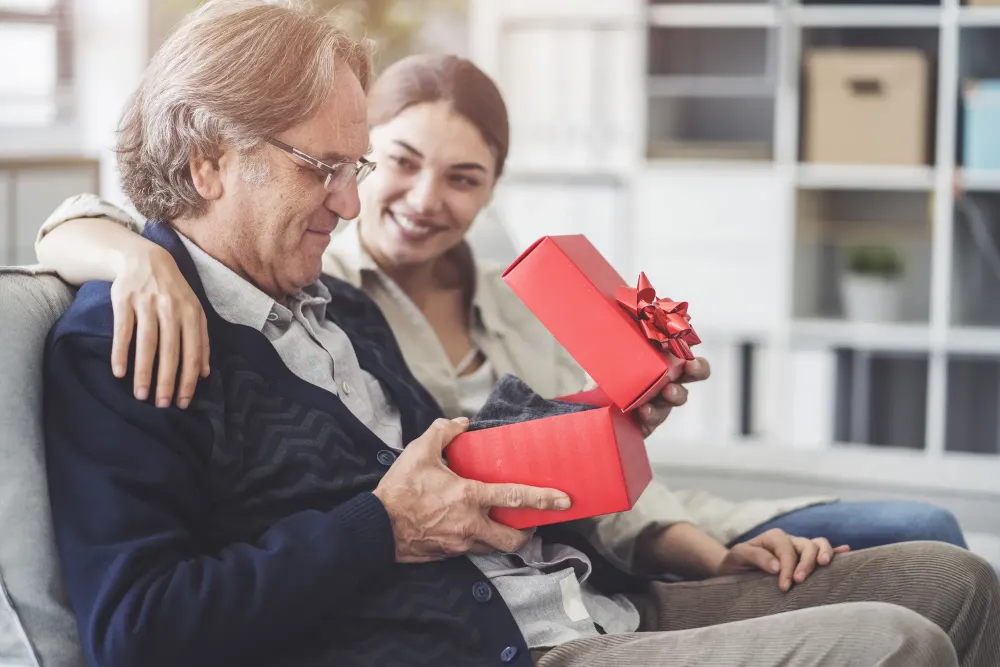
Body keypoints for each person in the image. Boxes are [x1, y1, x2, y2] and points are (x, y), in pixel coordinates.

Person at [41, 2, 999, 666]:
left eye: (352, 165)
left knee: (954, 579)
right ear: (210, 160)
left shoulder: (342, 309)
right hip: (500, 643)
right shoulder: (134, 335)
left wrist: (611, 425)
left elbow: (470, 472)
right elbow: (139, 632)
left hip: (584, 588)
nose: (352, 200)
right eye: (323, 168)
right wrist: (383, 527)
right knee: (897, 645)